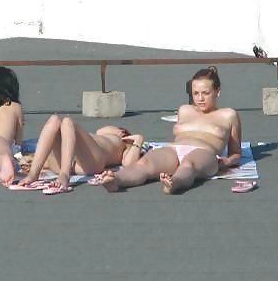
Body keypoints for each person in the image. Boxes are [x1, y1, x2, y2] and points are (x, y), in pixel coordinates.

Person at [97, 66, 241, 194]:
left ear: (218, 91)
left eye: (206, 93)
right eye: (196, 93)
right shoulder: (185, 110)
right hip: (174, 148)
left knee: (188, 165)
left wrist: (227, 162)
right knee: (144, 163)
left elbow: (236, 153)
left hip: (204, 152)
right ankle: (116, 180)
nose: (200, 98)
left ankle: (174, 183)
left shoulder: (229, 115)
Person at [13, 115, 146, 194]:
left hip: (91, 162)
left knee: (67, 122)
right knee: (54, 119)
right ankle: (33, 175)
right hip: (69, 159)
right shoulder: (99, 135)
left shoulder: (124, 145)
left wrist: (138, 139)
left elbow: (128, 163)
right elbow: (100, 130)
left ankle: (64, 176)